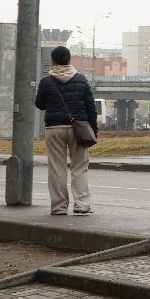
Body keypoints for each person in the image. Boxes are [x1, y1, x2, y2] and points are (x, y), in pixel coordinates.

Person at [34, 45, 99, 216]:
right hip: (79, 129)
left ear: (53, 61)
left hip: (54, 128)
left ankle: (59, 207)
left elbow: (39, 104)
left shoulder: (46, 81)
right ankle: (82, 205)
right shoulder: (81, 80)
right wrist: (94, 129)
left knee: (57, 168)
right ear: (70, 60)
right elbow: (91, 108)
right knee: (79, 167)